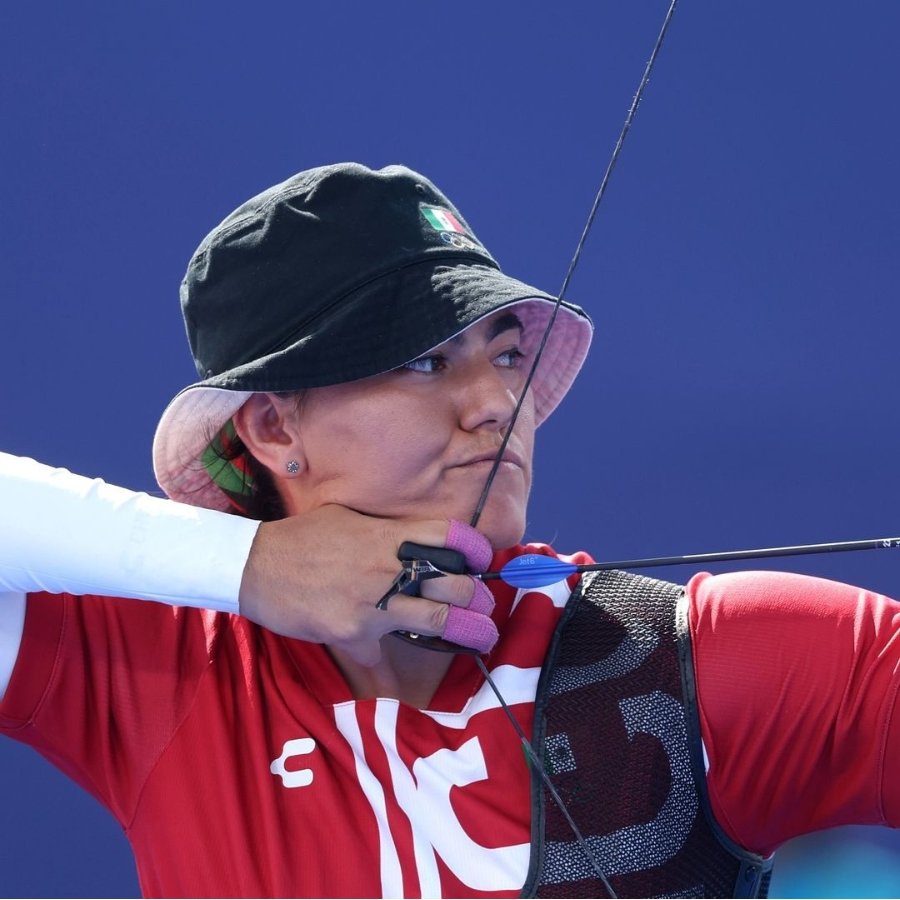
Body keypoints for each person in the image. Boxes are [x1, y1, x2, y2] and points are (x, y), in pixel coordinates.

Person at [1, 162, 899, 899]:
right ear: (275, 430)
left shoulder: (695, 660)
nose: (497, 404)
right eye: (425, 359)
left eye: (507, 354)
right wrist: (253, 567)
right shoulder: (163, 667)